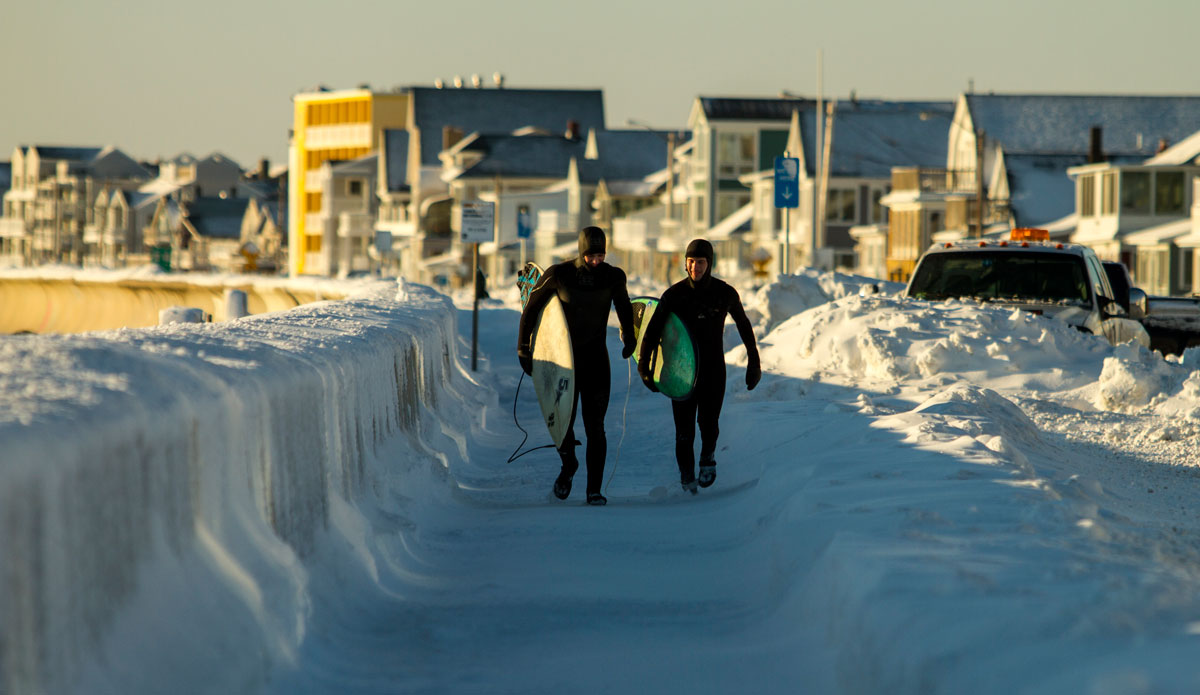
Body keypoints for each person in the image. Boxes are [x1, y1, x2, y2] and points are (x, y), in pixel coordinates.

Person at [518, 226, 636, 506]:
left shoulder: (613, 277)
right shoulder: (559, 275)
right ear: (581, 252)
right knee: (563, 423)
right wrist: (524, 347)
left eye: (600, 256)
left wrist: (630, 337)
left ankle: (594, 490)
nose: (595, 261)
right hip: (563, 364)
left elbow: (624, 308)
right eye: (590, 256)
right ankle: (568, 464)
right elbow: (531, 309)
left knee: (596, 427)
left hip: (596, 361)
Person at [637, 238, 761, 494]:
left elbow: (743, 324)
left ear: (709, 263)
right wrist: (644, 365)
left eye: (701, 262)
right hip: (679, 372)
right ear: (685, 263)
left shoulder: (724, 293)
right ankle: (687, 480)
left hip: (713, 370)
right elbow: (652, 331)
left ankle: (707, 457)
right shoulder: (674, 295)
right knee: (683, 432)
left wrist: (754, 361)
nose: (695, 267)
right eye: (691, 261)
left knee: (709, 424)